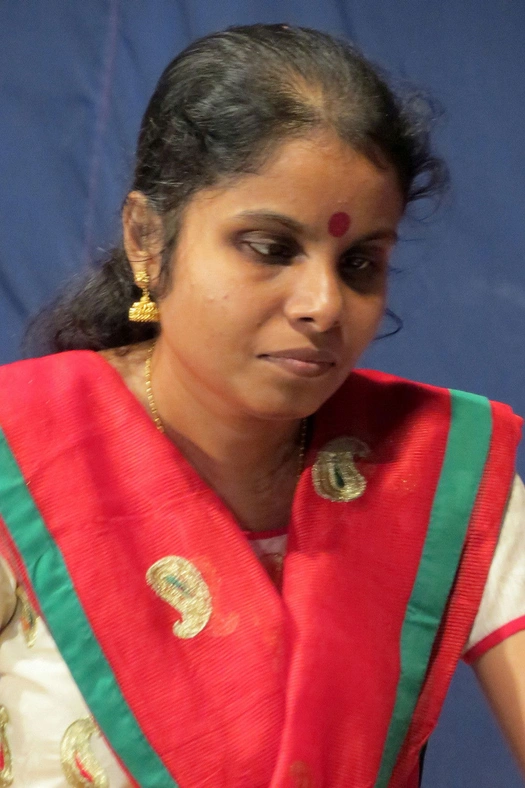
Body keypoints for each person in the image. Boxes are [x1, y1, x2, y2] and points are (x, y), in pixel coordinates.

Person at [0, 23, 523, 788]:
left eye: (359, 263)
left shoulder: (438, 478)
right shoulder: (19, 454)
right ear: (147, 239)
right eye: (270, 248)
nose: (322, 303)